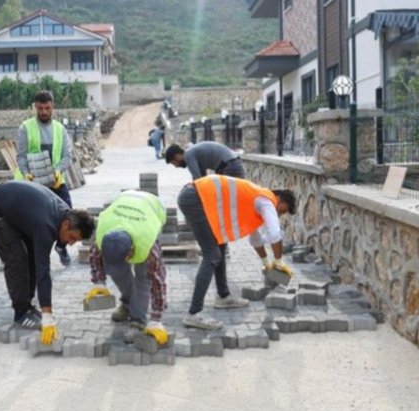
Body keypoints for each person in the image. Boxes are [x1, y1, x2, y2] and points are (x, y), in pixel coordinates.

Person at [0, 180, 95, 344]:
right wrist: (47, 315)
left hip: (14, 207)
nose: (71, 243)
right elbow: (43, 272)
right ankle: (21, 313)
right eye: (72, 238)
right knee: (16, 257)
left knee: (32, 253)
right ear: (66, 225)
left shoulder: (64, 214)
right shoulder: (45, 226)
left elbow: (38, 260)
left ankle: (28, 305)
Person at [177, 174, 295, 330]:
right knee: (212, 255)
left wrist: (267, 264)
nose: (278, 214)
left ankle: (223, 297)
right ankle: (193, 314)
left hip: (196, 196)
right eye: (282, 210)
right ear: (279, 198)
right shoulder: (266, 201)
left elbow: (256, 239)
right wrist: (279, 263)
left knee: (220, 246)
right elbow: (275, 233)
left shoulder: (255, 201)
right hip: (195, 198)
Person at [85, 190, 169, 345]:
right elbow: (94, 256)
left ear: (131, 251)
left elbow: (157, 281)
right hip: (123, 205)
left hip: (151, 208)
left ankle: (138, 319)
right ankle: (128, 303)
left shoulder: (148, 244)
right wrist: (99, 282)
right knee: (116, 271)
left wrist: (156, 317)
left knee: (143, 276)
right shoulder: (103, 233)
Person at [15, 90, 74, 267]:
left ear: (52, 107)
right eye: (40, 108)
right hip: (31, 183)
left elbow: (67, 156)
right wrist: (26, 173)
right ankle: (28, 255)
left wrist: (58, 171)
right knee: (31, 220)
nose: (44, 112)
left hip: (55, 181)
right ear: (35, 107)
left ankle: (61, 246)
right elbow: (21, 156)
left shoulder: (60, 129)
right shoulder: (25, 128)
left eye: (47, 108)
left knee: (69, 215)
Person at [165, 141, 245, 179]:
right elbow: (202, 178)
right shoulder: (193, 153)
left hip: (229, 166)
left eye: (174, 163)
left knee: (226, 198)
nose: (176, 166)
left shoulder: (188, 155)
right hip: (233, 163)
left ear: (177, 156)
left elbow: (198, 179)